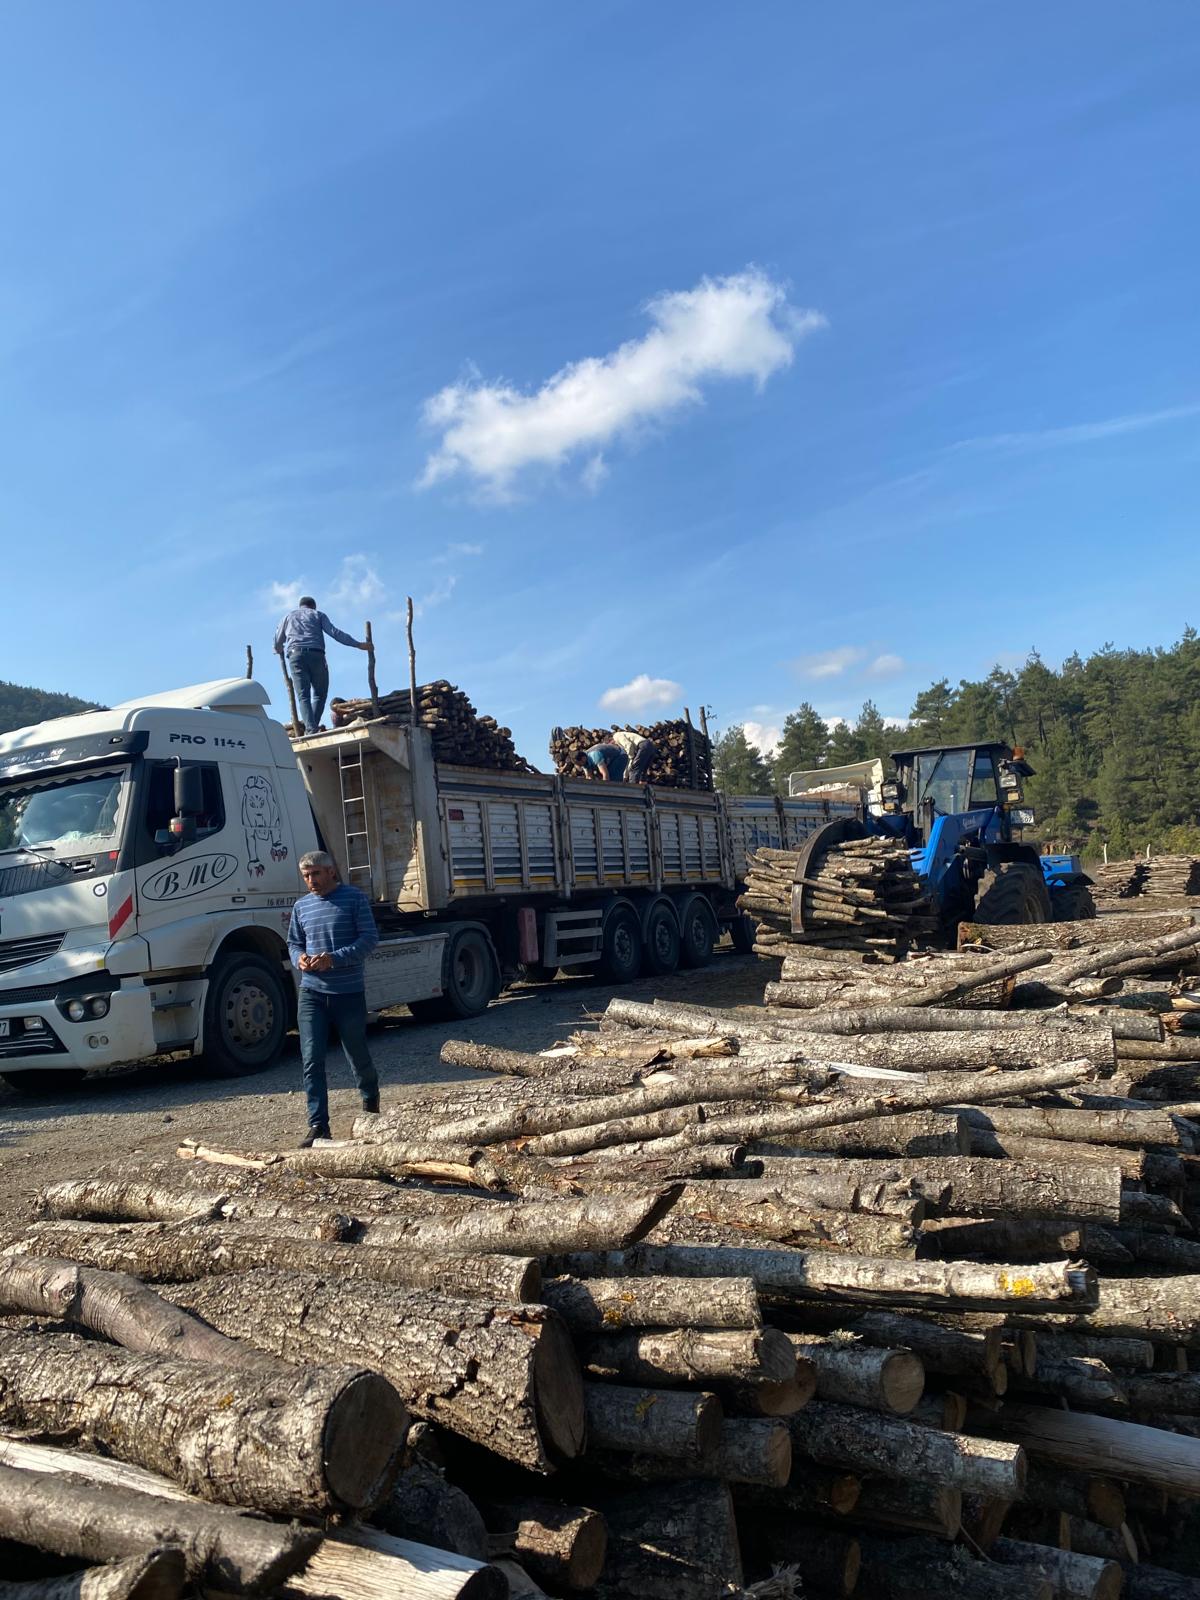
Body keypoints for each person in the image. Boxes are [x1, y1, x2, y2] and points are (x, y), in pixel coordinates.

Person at [286, 849, 380, 1146]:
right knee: (311, 1058)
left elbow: (369, 939)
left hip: (348, 993)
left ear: (331, 872)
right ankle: (318, 1125)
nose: (310, 880)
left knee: (356, 1053)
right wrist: (299, 958)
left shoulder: (354, 899)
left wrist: (334, 959)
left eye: (315, 874)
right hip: (311, 993)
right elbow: (293, 942)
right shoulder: (301, 906)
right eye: (305, 876)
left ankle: (371, 1108)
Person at [274, 596, 369, 735]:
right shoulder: (318, 615)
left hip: (296, 656)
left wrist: (278, 649)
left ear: (300, 605)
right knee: (319, 695)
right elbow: (335, 633)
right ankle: (311, 728)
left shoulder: (288, 617)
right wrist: (358, 644)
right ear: (314, 606)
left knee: (303, 696)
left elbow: (277, 642)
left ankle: (311, 729)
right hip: (316, 655)